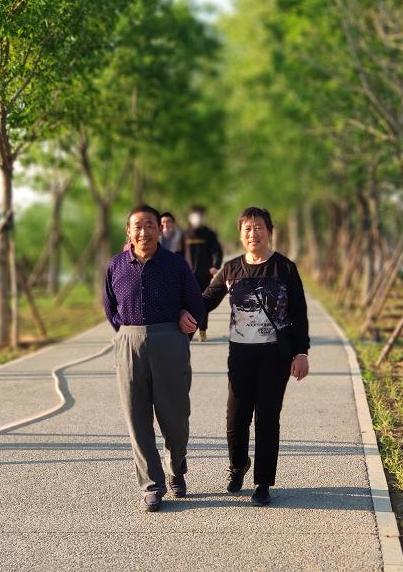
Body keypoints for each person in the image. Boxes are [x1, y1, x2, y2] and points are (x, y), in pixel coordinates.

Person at [195, 206, 309, 506]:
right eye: (247, 228)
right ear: (240, 234)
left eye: (258, 227)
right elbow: (207, 299)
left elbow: (299, 312)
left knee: (268, 419)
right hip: (240, 354)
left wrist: (301, 352)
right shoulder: (231, 268)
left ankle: (262, 483)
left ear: (269, 231)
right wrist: (181, 311)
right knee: (236, 417)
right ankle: (237, 466)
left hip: (276, 355)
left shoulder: (284, 268)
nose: (253, 233)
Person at [104, 204, 206, 513]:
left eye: (150, 225)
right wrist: (127, 335)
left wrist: (186, 320)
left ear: (159, 229)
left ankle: (176, 467)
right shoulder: (115, 265)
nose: (144, 231)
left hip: (169, 341)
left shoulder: (176, 265)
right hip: (129, 343)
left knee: (175, 419)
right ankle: (152, 484)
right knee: (137, 419)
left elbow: (197, 306)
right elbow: (110, 308)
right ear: (128, 231)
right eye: (137, 225)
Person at [180, 205, 223, 341]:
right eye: (194, 215)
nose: (197, 218)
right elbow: (179, 253)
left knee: (202, 303)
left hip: (204, 274)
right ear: (190, 217)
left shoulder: (208, 234)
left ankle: (202, 330)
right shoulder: (185, 234)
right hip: (187, 275)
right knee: (187, 304)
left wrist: (215, 266)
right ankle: (188, 330)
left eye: (199, 215)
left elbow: (217, 251)